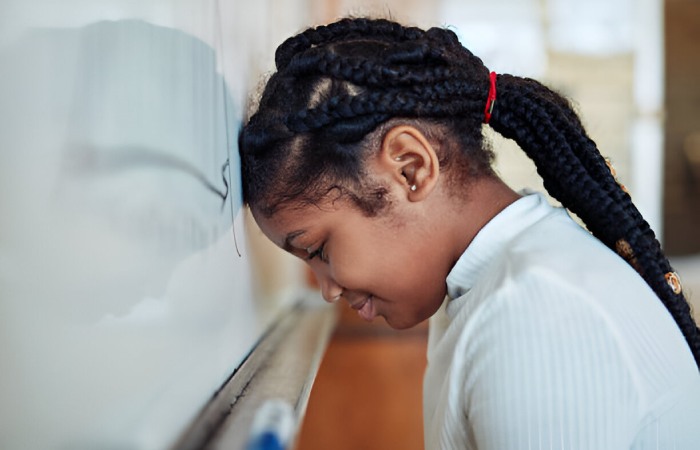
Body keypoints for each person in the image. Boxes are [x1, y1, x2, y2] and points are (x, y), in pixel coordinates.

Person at [239, 17, 700, 449]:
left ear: (411, 168)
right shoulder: (484, 284)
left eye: (318, 249)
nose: (327, 289)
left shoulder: (534, 312)